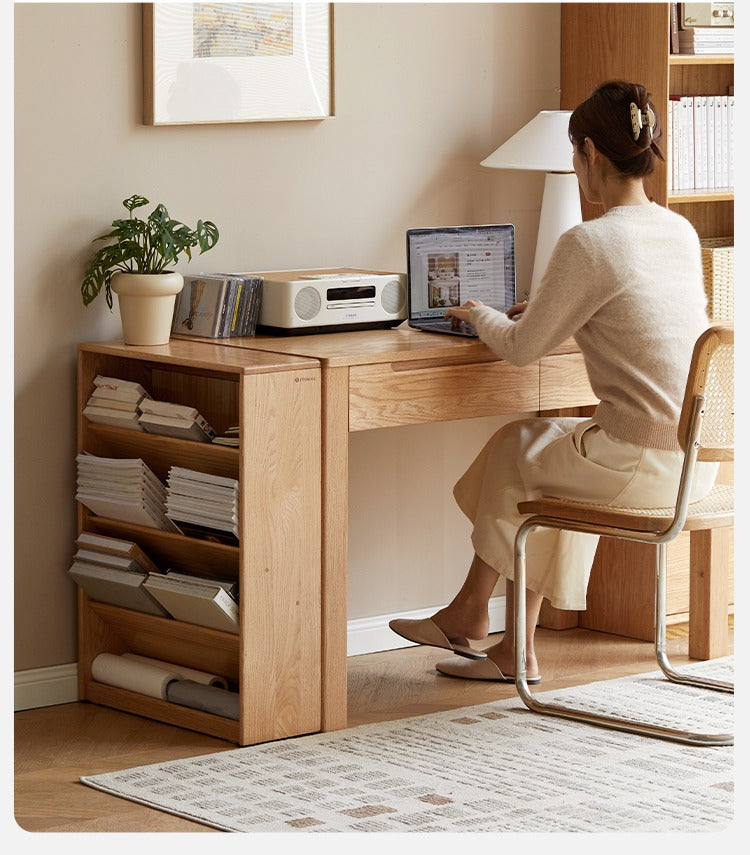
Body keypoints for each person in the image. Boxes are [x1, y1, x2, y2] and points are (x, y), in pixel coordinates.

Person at [389, 80, 718, 683]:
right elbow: (639, 317)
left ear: (590, 152)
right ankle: (502, 640)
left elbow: (520, 352)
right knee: (534, 453)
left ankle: (478, 621)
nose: (575, 170)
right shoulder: (678, 230)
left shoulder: (590, 241)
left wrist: (477, 311)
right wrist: (546, 308)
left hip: (641, 466)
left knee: (521, 450)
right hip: (698, 464)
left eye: (573, 158)